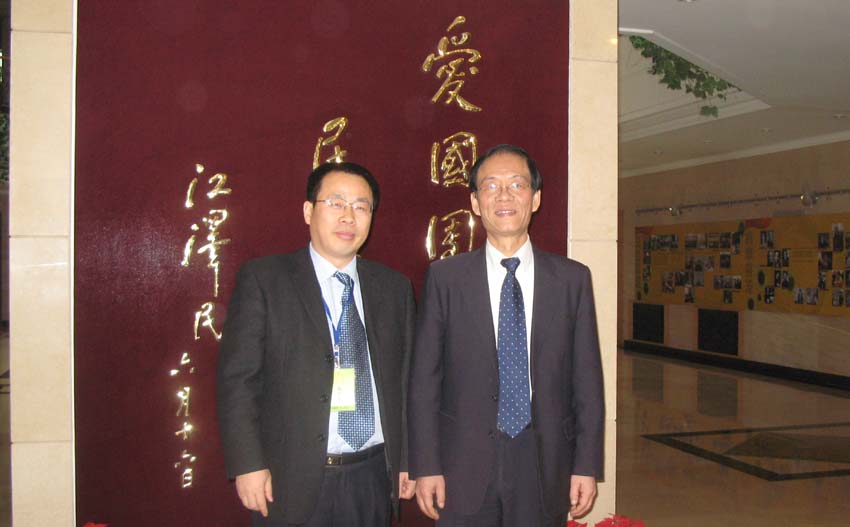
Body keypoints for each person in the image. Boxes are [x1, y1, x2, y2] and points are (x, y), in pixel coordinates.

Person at [408, 144, 604, 526]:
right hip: (461, 461)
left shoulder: (571, 280)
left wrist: (586, 465)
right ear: (475, 202)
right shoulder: (445, 279)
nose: (504, 195)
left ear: (535, 198)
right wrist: (426, 464)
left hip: (544, 461)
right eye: (491, 186)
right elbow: (424, 381)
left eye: (517, 184)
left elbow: (587, 381)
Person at [217, 161, 416, 526]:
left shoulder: (394, 288)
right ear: (309, 211)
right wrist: (247, 464)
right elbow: (238, 380)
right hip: (289, 476)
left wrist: (406, 459)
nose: (348, 216)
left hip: (372, 474)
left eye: (361, 207)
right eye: (336, 203)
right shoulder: (265, 280)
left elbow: (404, 382)